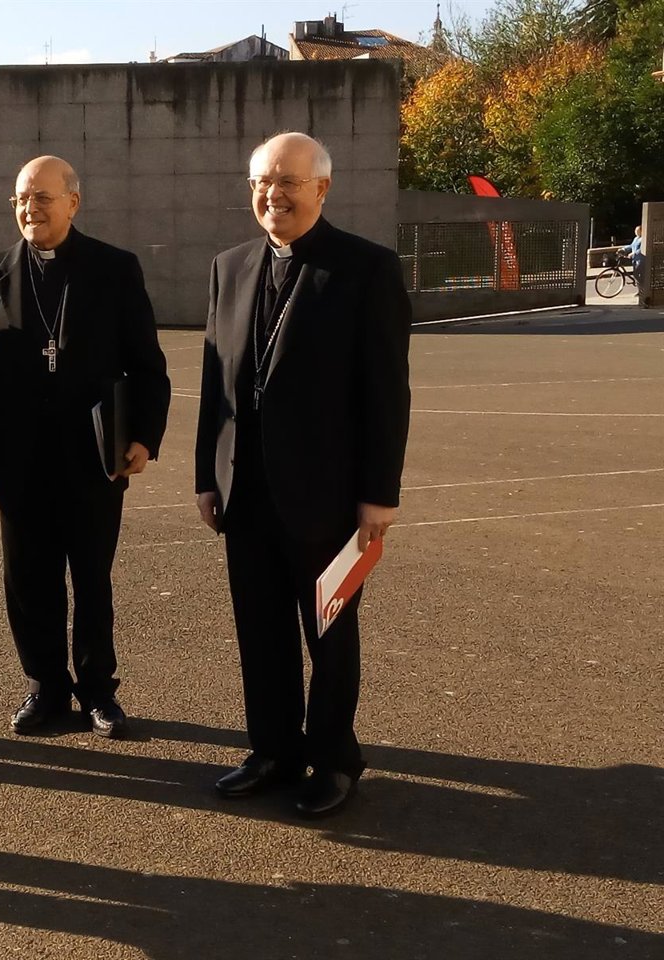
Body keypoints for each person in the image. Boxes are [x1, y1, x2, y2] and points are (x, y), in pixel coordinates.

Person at [194, 132, 411, 818]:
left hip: (334, 501)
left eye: (288, 181)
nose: (273, 194)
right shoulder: (229, 268)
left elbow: (386, 391)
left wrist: (380, 494)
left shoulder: (366, 270)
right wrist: (208, 474)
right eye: (262, 181)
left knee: (330, 633)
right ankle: (274, 749)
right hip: (246, 494)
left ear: (322, 188)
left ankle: (334, 760)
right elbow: (214, 385)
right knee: (260, 632)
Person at [0, 155, 170, 739]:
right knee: (28, 578)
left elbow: (148, 366)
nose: (31, 208)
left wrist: (145, 437)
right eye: (22, 199)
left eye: (43, 198)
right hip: (18, 459)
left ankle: (97, 688)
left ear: (73, 202)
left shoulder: (114, 270)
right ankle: (46, 685)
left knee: (91, 576)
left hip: (93, 458)